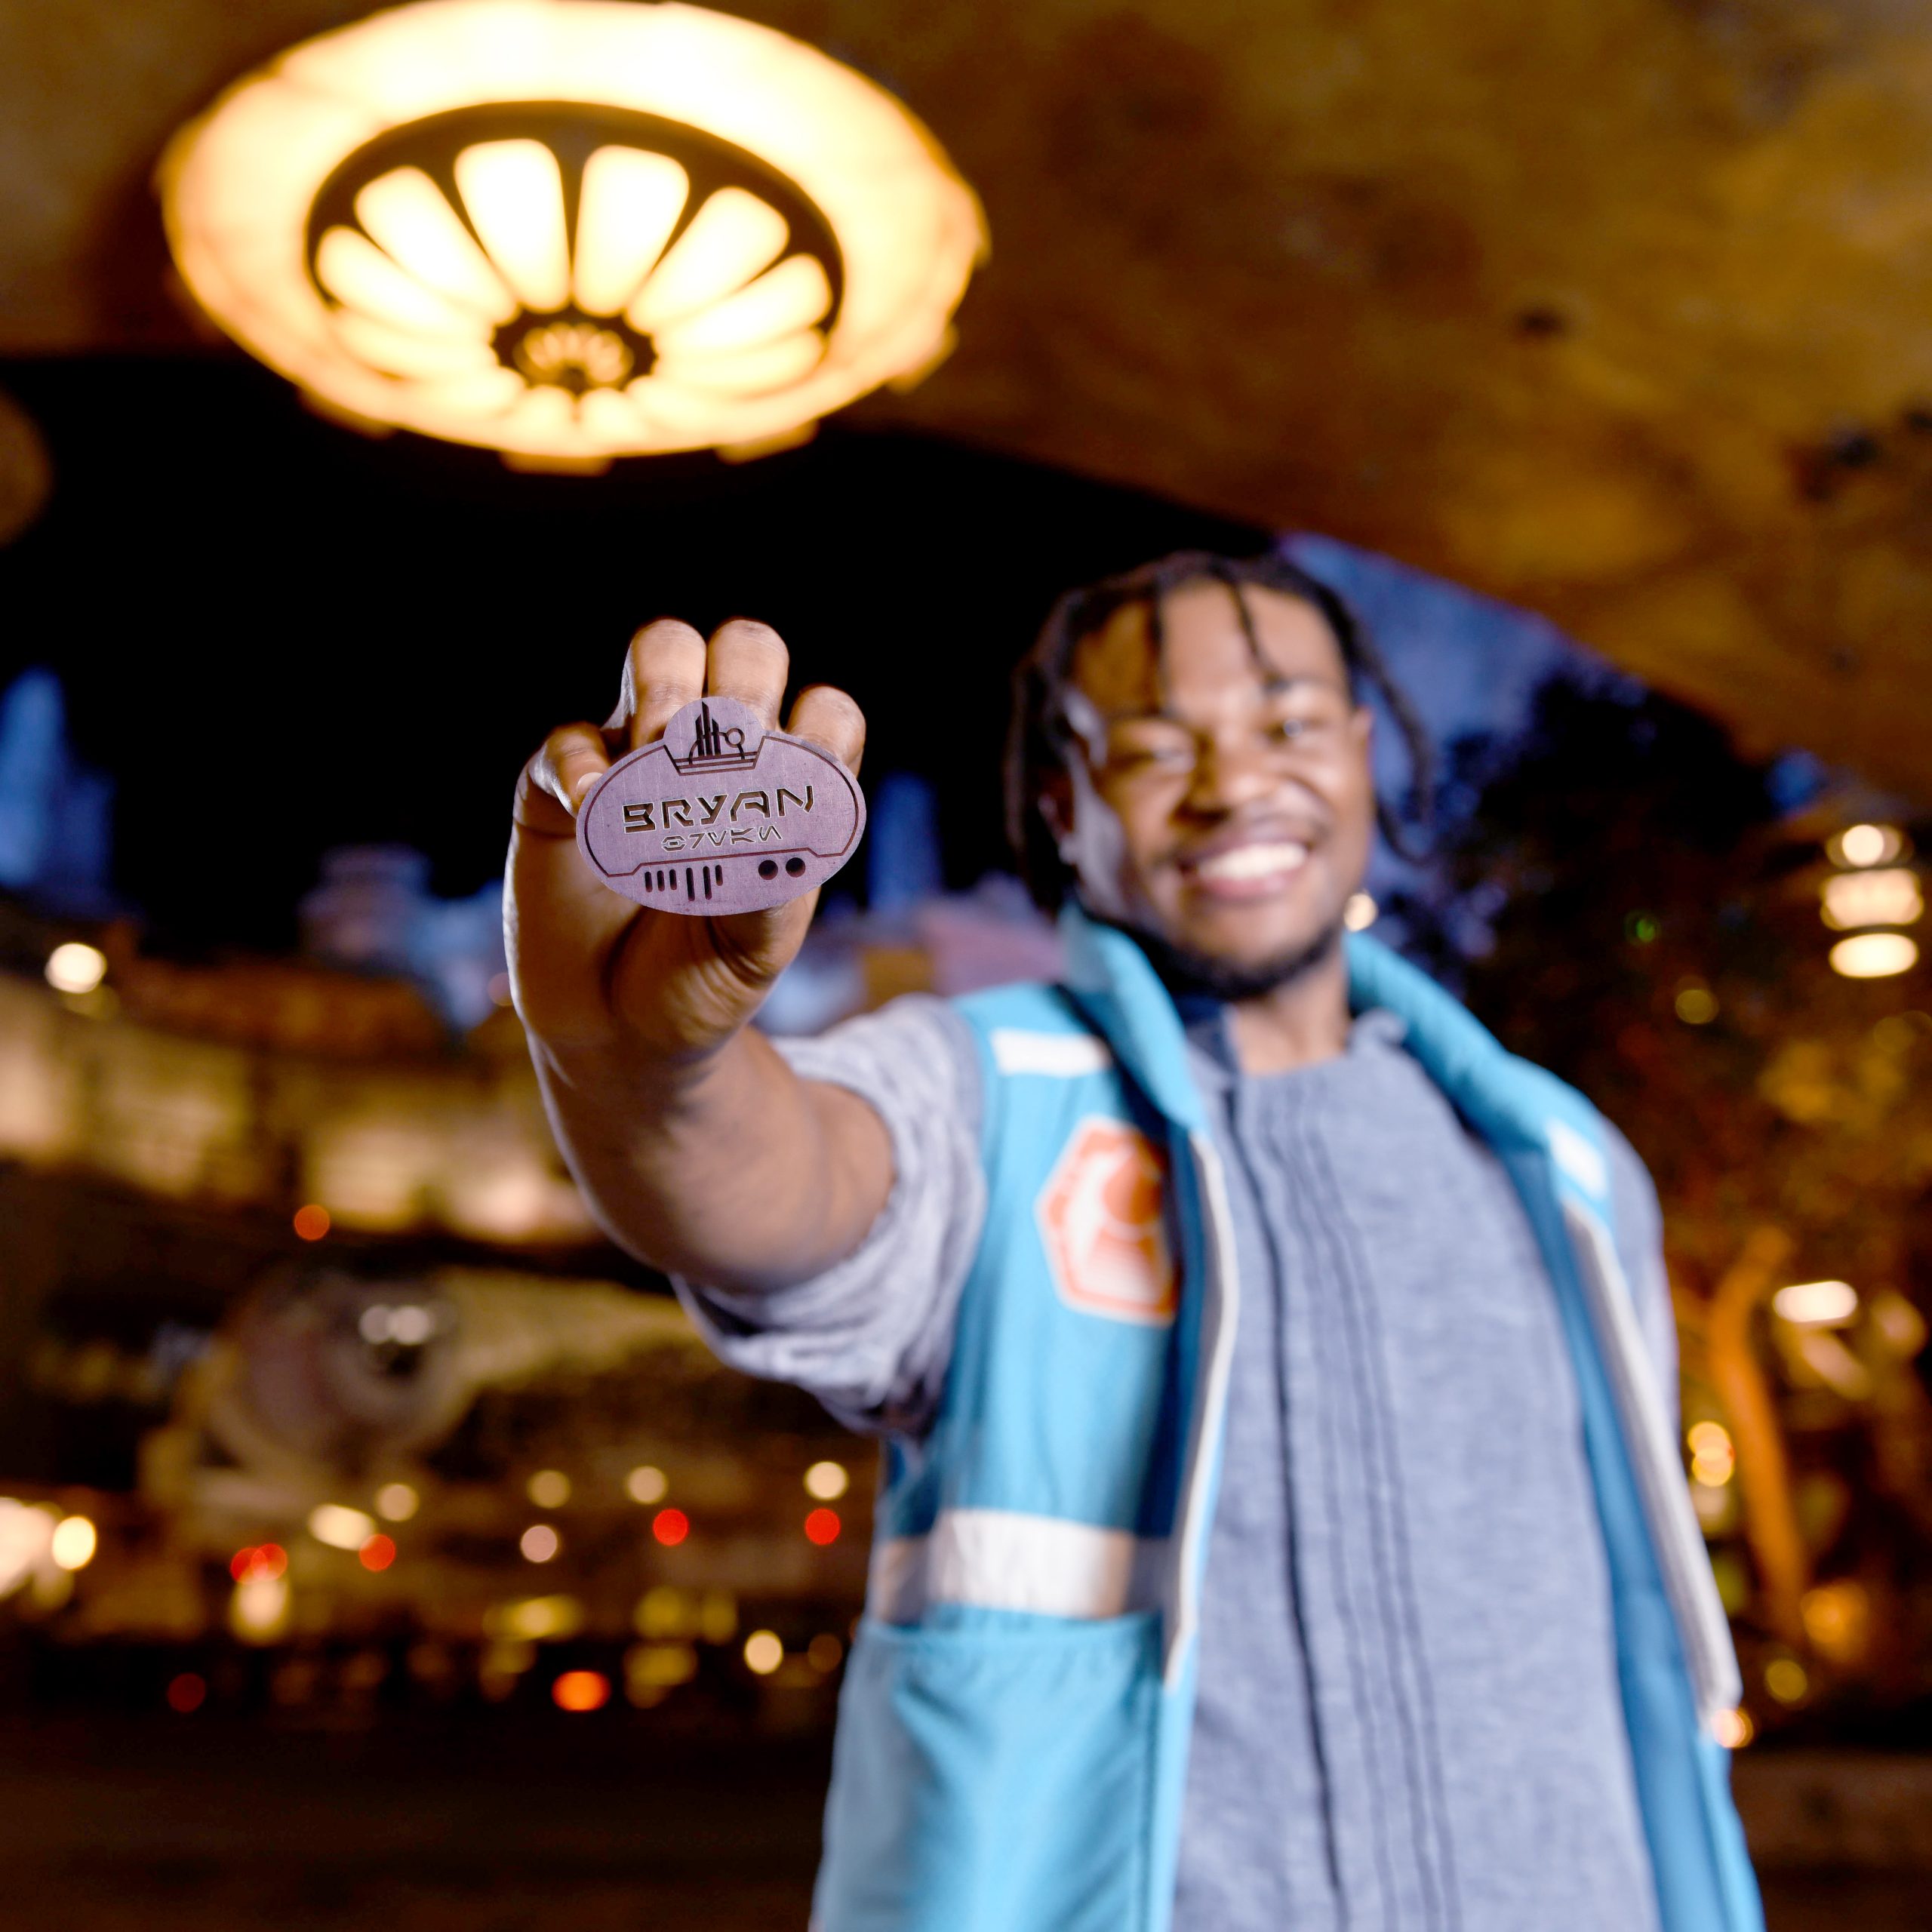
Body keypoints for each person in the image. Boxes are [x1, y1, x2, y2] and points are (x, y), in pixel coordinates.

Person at [507, 551, 1762, 1932]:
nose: (1233, 787)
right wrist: (638, 1071)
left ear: (1360, 753)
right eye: (1156, 750)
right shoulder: (994, 1092)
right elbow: (782, 1191)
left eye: (1287, 726)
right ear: (1064, 804)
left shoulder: (1566, 1168)